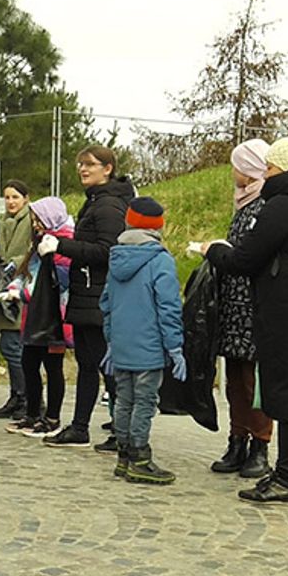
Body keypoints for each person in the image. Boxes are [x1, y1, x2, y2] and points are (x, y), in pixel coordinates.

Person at [204, 137, 288, 506]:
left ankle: (284, 479)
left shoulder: (284, 206)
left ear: (285, 169)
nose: (265, 173)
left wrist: (212, 250)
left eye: (270, 167)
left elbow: (244, 260)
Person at [39, 145, 135, 448]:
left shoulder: (107, 206)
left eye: (90, 164)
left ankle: (99, 429)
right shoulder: (95, 201)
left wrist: (62, 247)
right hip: (88, 293)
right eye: (80, 163)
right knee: (93, 364)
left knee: (100, 365)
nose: (83, 169)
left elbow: (109, 251)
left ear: (107, 169)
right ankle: (99, 428)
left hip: (99, 294)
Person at [99, 197, 186, 484]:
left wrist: (111, 341)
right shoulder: (160, 260)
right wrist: (175, 347)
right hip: (149, 346)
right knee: (145, 402)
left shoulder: (117, 256)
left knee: (123, 399)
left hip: (122, 344)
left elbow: (107, 303)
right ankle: (140, 458)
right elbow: (169, 308)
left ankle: (123, 456)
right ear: (158, 225)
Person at [211, 139, 274, 478]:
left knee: (254, 383)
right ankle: (237, 439)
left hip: (254, 306)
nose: (233, 173)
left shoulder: (265, 206)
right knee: (234, 379)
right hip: (233, 305)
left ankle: (260, 445)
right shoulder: (243, 204)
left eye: (237, 166)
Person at [2, 196, 72, 438]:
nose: (35, 225)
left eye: (38, 220)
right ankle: (32, 414)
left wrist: (24, 291)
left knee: (53, 367)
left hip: (54, 317)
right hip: (34, 314)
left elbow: (58, 281)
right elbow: (29, 273)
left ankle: (52, 418)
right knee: (29, 363)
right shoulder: (38, 244)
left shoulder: (63, 244)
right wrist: (15, 287)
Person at [0, 179, 33, 419]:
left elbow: (31, 251)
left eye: (15, 197)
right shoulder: (4, 222)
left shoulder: (31, 220)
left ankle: (27, 399)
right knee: (9, 345)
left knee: (14, 346)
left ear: (25, 198)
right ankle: (17, 396)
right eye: (7, 197)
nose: (11, 202)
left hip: (22, 286)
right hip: (6, 286)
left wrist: (15, 263)